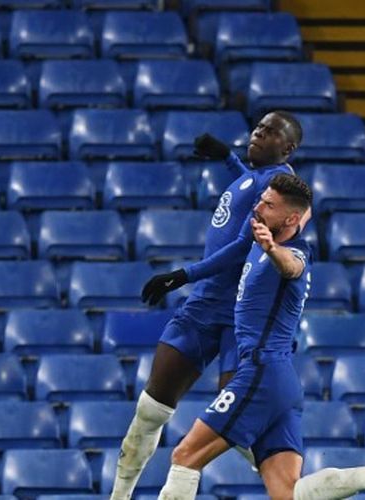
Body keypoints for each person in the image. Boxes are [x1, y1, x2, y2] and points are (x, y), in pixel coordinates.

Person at [157, 174, 365, 500]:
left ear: (290, 219)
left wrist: (271, 247)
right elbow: (295, 207)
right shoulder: (261, 233)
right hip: (280, 381)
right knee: (287, 493)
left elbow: (291, 266)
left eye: (268, 204)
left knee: (184, 457)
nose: (257, 206)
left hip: (260, 373)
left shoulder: (293, 252)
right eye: (261, 199)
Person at [110, 111, 302, 500]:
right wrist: (228, 159)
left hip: (239, 319)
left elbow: (245, 244)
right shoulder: (260, 179)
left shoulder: (282, 189)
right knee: (150, 411)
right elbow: (251, 188)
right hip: (202, 309)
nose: (258, 134)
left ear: (288, 147)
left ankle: (316, 486)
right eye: (258, 128)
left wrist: (184, 274)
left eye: (269, 132)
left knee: (249, 444)